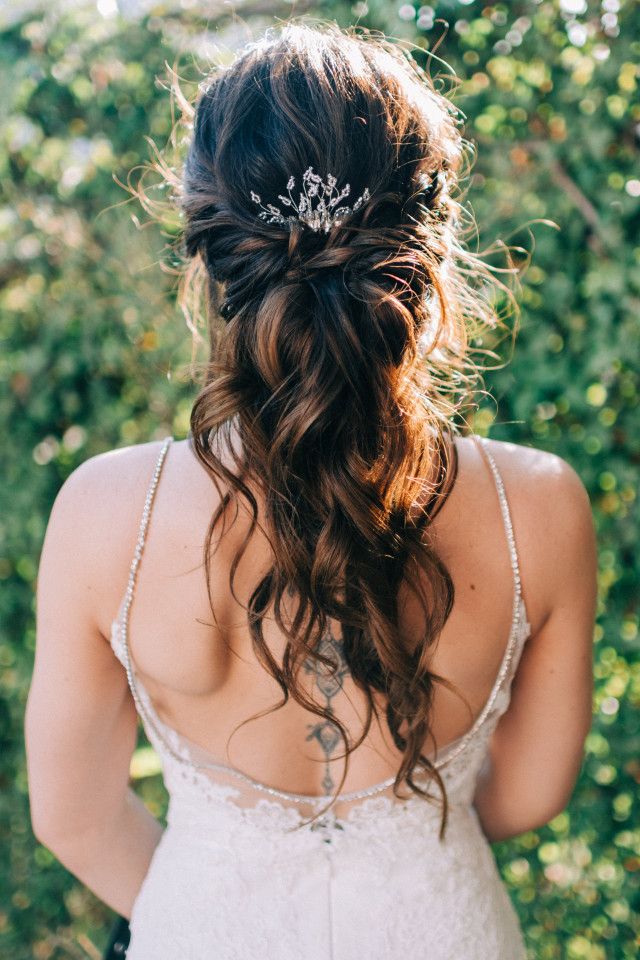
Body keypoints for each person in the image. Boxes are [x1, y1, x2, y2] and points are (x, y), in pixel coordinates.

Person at [25, 18, 597, 960]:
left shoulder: (103, 515)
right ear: (431, 247)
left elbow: (72, 812)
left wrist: (218, 897)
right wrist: (408, 855)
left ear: (209, 253)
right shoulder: (538, 506)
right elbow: (530, 793)